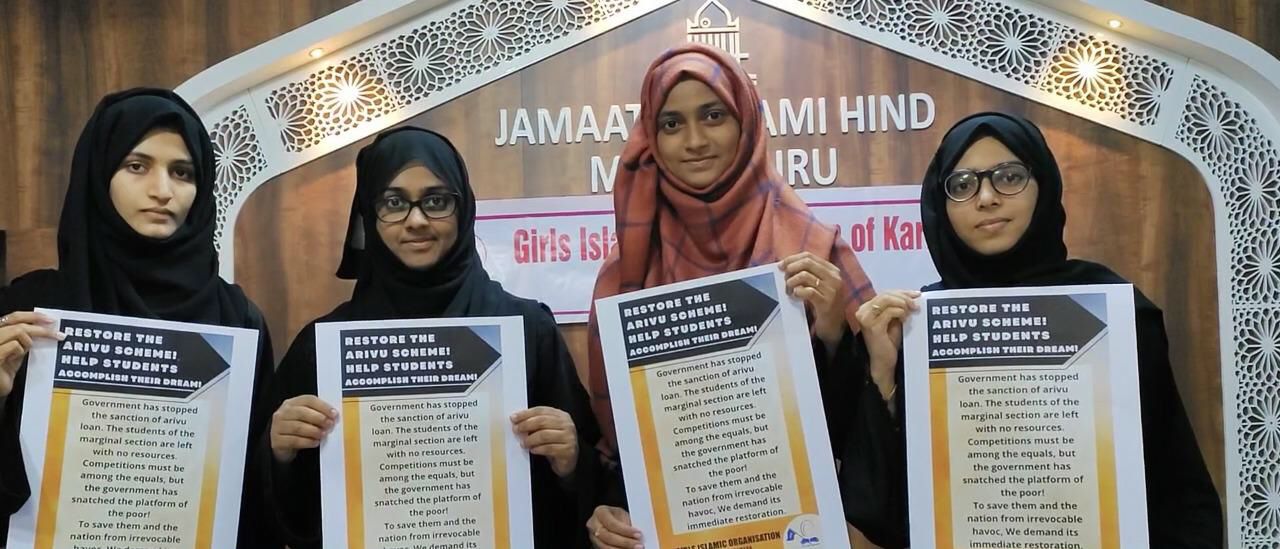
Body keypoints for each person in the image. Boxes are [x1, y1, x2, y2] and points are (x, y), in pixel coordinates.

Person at [852, 112, 1223, 548]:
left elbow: (1172, 483)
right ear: (940, 203)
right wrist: (883, 372)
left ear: (1042, 184)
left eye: (1009, 177)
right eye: (962, 185)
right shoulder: (917, 329)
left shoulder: (1113, 313)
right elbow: (883, 510)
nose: (986, 198)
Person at [582, 43, 896, 549]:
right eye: (671, 123)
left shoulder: (815, 251)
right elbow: (625, 448)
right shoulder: (625, 277)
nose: (695, 141)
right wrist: (609, 512)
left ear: (746, 122)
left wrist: (835, 334)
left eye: (714, 116)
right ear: (651, 139)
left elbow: (867, 430)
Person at [264, 126, 606, 548]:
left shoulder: (524, 328)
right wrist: (279, 453)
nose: (417, 220)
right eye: (394, 202)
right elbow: (286, 513)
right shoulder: (324, 347)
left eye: (436, 200)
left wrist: (572, 461)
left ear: (463, 209)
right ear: (368, 214)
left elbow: (593, 495)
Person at [0, 88, 278, 548]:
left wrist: (282, 449)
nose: (162, 191)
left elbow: (254, 497)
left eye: (183, 172)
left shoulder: (236, 320)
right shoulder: (29, 310)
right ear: (98, 174)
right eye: (136, 166)